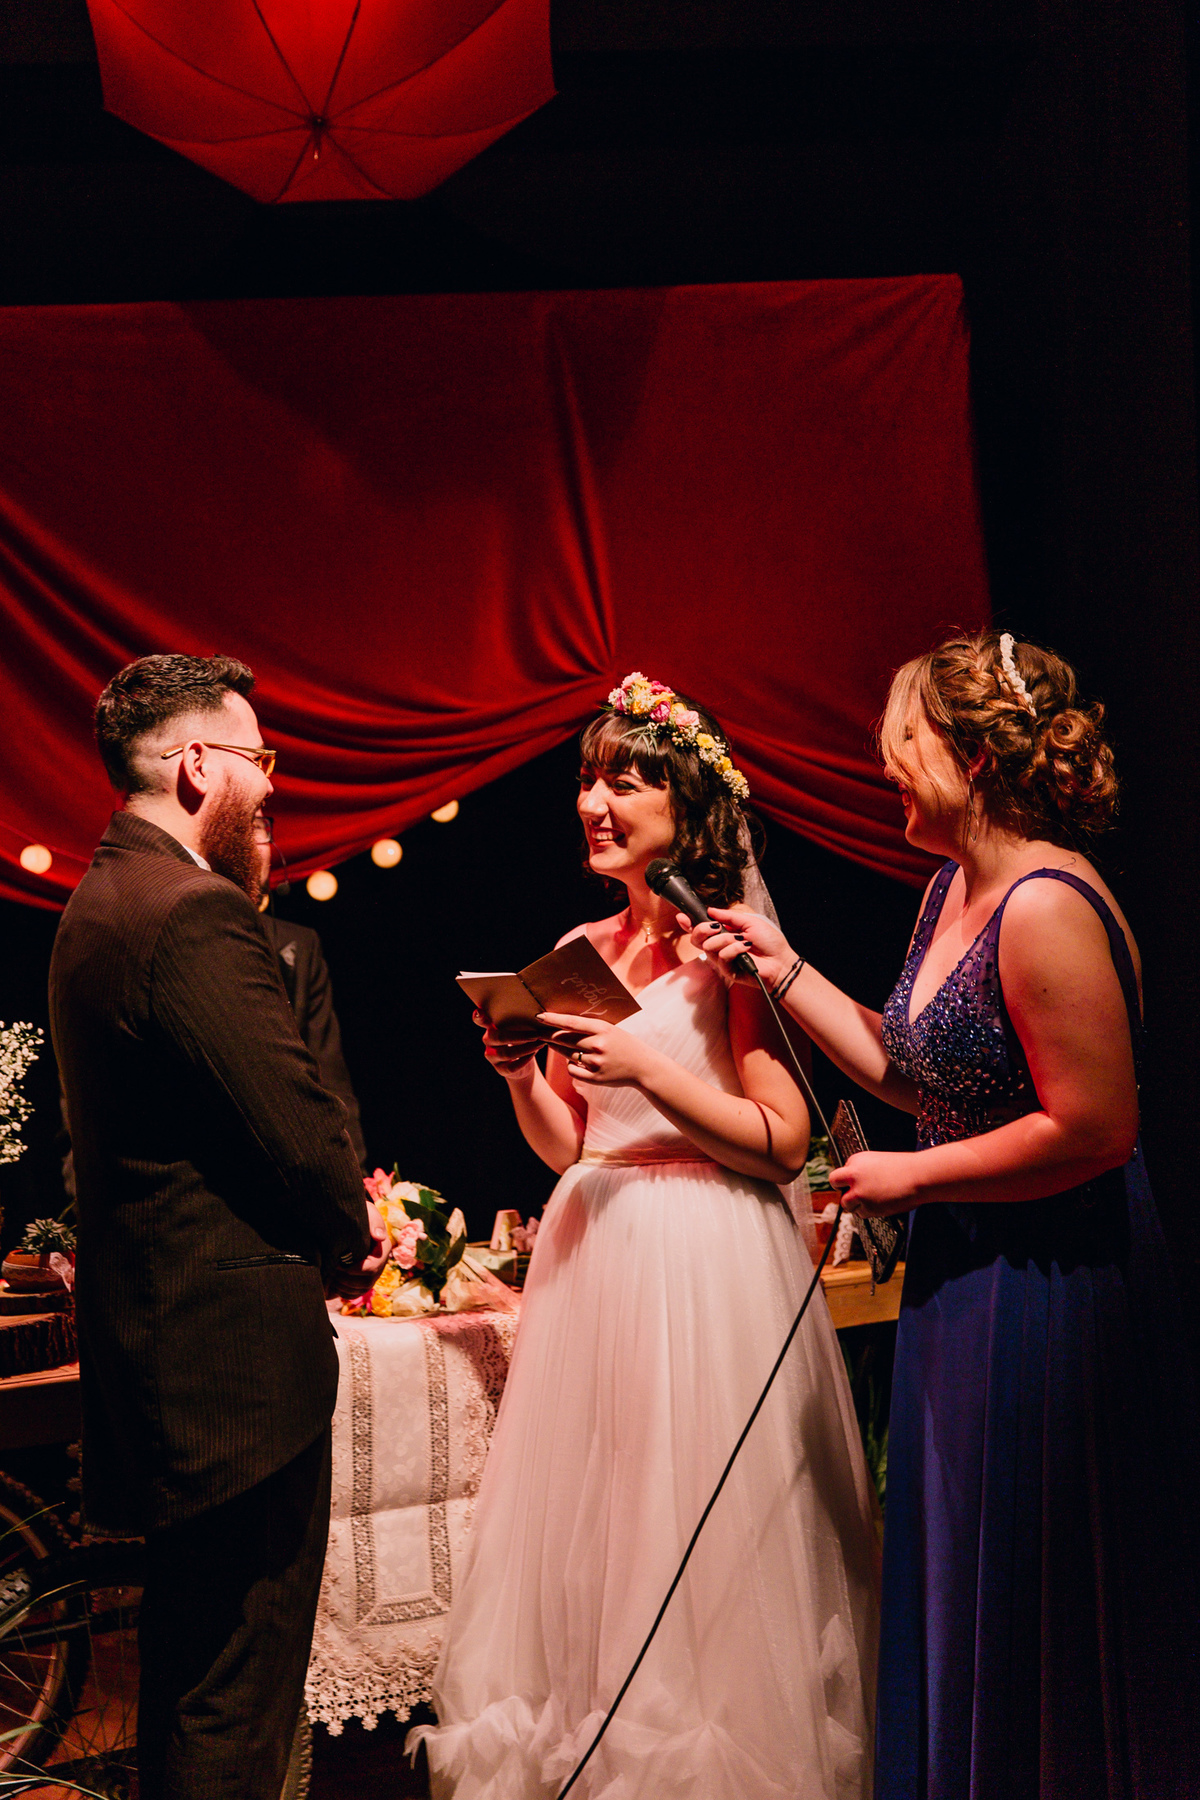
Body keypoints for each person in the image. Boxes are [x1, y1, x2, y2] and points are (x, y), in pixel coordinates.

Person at [695, 632, 1200, 1798]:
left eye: (902, 745)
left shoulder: (1045, 903)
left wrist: (914, 1179)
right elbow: (912, 1068)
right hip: (969, 1274)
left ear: (971, 759)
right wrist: (778, 967)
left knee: (1035, 1584)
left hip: (1053, 1289)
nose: (884, 768)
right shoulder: (947, 891)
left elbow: (1096, 1128)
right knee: (961, 1570)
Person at [409, 673, 880, 1800]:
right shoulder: (579, 945)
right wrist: (523, 1078)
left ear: (689, 804)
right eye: (588, 777)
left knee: (694, 1532)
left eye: (628, 778)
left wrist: (652, 1071)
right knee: (600, 1535)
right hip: (595, 1251)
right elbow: (575, 1150)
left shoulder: (729, 952)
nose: (597, 800)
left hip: (701, 1257)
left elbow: (779, 1140)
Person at [49, 653, 391, 1799]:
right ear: (198, 765)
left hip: (170, 1361)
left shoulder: (101, 898)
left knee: (194, 1690)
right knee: (234, 1709)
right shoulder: (190, 911)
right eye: (259, 759)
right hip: (233, 1378)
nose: (272, 784)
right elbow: (296, 1126)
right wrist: (352, 1236)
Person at [253, 812, 369, 1168]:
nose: (259, 844)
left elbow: (331, 1081)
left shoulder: (298, 945)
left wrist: (359, 1183)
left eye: (259, 825)